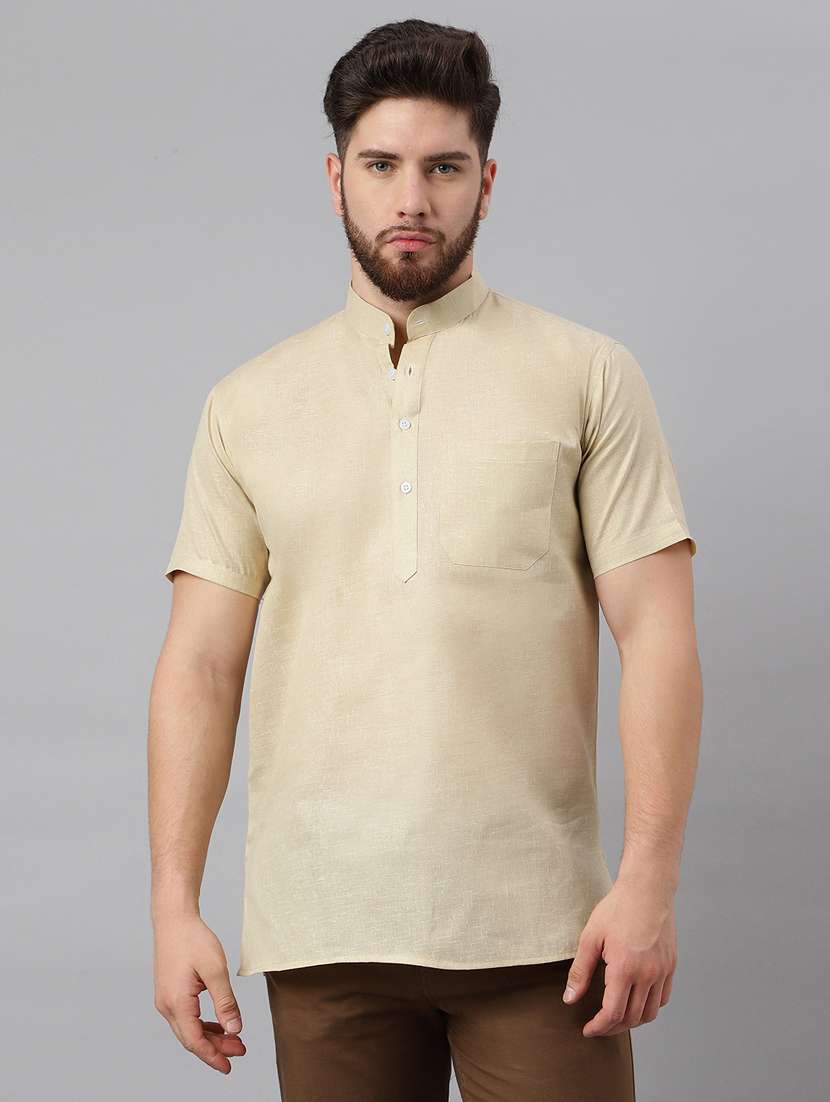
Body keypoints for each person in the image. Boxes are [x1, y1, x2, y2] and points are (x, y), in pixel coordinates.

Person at [148, 17, 702, 1101]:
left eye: (443, 168)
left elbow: (658, 634)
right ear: (335, 180)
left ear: (486, 183)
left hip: (544, 930)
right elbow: (200, 666)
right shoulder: (246, 405)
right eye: (381, 166)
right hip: (322, 928)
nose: (411, 198)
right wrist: (173, 905)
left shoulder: (586, 374)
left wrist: (648, 882)